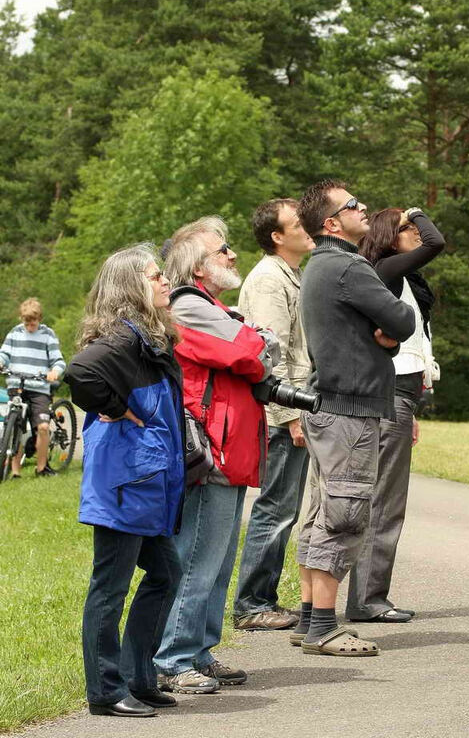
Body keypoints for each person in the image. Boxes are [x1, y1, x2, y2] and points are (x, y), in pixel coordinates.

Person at [154, 216, 280, 692]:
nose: (232, 254)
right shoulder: (188, 305)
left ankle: (199, 651)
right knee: (196, 560)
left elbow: (257, 351)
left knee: (219, 561)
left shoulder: (214, 307)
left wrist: (258, 343)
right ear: (197, 266)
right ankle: (171, 659)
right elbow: (250, 353)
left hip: (231, 449)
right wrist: (259, 341)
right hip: (212, 451)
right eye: (222, 250)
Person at [292, 179, 415, 657]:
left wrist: (383, 337)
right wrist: (388, 334)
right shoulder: (348, 266)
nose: (364, 209)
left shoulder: (319, 266)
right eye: (352, 205)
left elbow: (378, 332)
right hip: (349, 410)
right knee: (343, 516)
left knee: (320, 514)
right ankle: (324, 627)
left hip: (329, 405)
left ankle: (310, 618)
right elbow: (402, 319)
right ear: (331, 222)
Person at [65, 244, 185, 718]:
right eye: (155, 276)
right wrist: (115, 408)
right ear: (131, 286)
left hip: (144, 485)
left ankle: (139, 677)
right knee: (110, 588)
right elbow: (80, 371)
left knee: (166, 573)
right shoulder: (121, 340)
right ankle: (106, 691)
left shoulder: (146, 337)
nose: (165, 281)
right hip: (123, 486)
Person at [346, 206, 445, 623]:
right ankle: (367, 600)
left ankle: (367, 596)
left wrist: (412, 407)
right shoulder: (386, 268)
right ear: (389, 236)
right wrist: (418, 212)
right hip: (391, 394)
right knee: (385, 499)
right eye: (407, 228)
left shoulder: (403, 279)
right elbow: (437, 242)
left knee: (385, 497)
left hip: (400, 394)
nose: (417, 233)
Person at [233, 199, 315, 631]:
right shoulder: (268, 280)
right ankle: (251, 605)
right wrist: (290, 414)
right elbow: (271, 353)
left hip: (290, 408)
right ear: (277, 236)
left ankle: (261, 599)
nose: (307, 227)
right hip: (281, 413)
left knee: (285, 507)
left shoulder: (291, 274)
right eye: (297, 224)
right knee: (276, 508)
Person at [0, 297, 66, 477]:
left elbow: (58, 361)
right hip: (16, 385)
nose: (30, 327)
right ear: (22, 319)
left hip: (39, 388)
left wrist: (55, 372)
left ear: (39, 319)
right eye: (26, 323)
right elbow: (4, 354)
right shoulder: (15, 333)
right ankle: (15, 471)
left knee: (43, 427)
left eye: (33, 323)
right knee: (15, 426)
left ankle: (42, 468)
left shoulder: (48, 335)